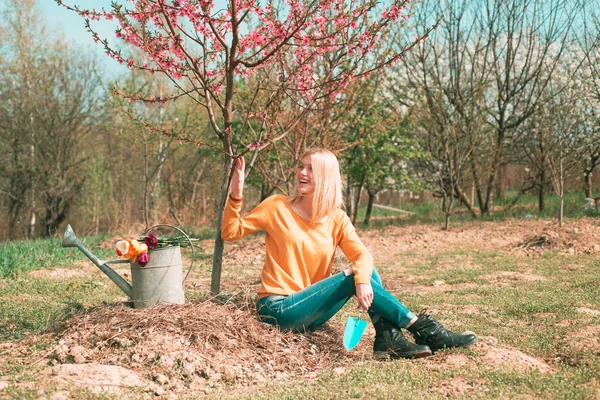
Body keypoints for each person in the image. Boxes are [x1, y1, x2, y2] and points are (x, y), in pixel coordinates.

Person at [221, 148, 476, 359]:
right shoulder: (277, 206)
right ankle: (419, 327)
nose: (301, 173)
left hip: (312, 313)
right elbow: (230, 232)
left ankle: (388, 337)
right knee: (352, 274)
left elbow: (363, 255)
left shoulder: (336, 218)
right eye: (301, 167)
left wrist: (363, 280)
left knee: (366, 271)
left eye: (311, 168)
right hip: (278, 309)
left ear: (326, 176)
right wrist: (236, 193)